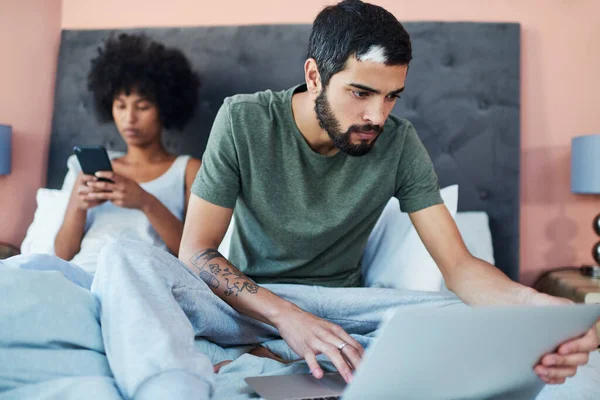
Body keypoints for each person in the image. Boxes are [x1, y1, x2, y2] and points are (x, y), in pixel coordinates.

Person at [89, 1, 599, 399]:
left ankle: (304, 357)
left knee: (456, 315)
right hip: (247, 304)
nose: (377, 115)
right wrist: (288, 317)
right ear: (314, 76)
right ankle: (179, 386)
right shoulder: (243, 120)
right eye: (361, 93)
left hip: (346, 310)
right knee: (122, 258)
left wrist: (539, 310)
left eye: (392, 96)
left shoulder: (399, 143)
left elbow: (461, 268)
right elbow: (196, 255)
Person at [53, 33, 202, 274]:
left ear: (166, 108)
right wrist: (77, 207)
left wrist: (146, 202)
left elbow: (194, 254)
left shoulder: (188, 170)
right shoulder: (86, 170)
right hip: (81, 275)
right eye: (121, 106)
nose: (129, 118)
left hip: (141, 277)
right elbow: (62, 256)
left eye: (143, 106)